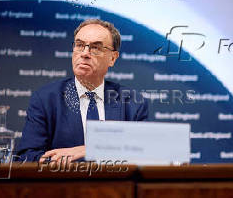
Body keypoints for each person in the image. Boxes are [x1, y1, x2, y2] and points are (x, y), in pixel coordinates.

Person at [17, 19, 148, 162]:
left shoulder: (132, 102)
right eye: (79, 45)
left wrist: (91, 149)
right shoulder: (46, 99)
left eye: (96, 48)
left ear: (112, 58)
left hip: (116, 183)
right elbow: (26, 158)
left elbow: (146, 153)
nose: (85, 53)